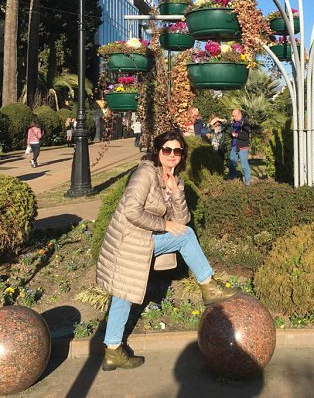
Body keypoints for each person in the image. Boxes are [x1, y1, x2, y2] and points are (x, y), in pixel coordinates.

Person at [96, 129, 240, 371]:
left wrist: (176, 192)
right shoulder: (145, 173)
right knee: (184, 239)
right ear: (158, 151)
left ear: (182, 155)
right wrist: (164, 225)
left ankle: (112, 351)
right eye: (167, 149)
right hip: (128, 241)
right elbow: (131, 210)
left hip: (141, 241)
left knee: (123, 294)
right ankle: (209, 286)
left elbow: (181, 220)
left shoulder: (174, 180)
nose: (172, 154)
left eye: (177, 151)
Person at [227, 109, 251, 185]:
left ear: (239, 114)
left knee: (244, 165)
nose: (233, 117)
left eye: (234, 116)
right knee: (232, 164)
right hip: (234, 146)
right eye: (233, 116)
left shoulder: (245, 123)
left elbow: (245, 136)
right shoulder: (234, 123)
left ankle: (247, 182)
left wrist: (236, 134)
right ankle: (232, 180)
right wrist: (231, 134)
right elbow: (232, 134)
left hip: (242, 147)